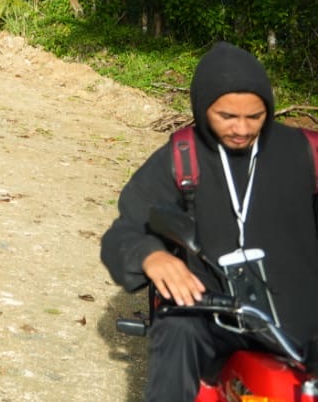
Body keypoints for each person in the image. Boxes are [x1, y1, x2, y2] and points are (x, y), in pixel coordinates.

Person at [99, 41, 318, 401]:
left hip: (299, 318)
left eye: (256, 116)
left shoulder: (305, 153)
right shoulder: (181, 157)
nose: (243, 129)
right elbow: (124, 232)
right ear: (203, 109)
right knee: (176, 331)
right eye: (227, 117)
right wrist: (151, 256)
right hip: (212, 313)